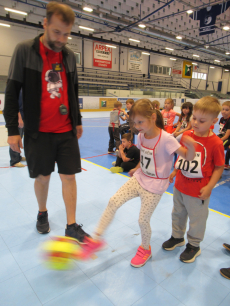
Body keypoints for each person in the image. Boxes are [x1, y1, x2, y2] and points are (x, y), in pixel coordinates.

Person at [4, 2, 90, 243]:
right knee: (42, 177)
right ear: (45, 24)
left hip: (66, 130)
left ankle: (71, 225)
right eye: (56, 32)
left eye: (66, 34)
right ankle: (42, 213)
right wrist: (12, 130)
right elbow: (11, 92)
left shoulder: (69, 56)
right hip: (37, 131)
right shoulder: (24, 50)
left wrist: (78, 119)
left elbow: (73, 89)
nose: (62, 39)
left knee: (69, 176)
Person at [83, 99, 195, 267]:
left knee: (143, 220)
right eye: (135, 123)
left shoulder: (167, 139)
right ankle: (96, 239)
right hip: (140, 179)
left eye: (140, 122)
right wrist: (137, 168)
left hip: (155, 186)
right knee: (113, 201)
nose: (137, 126)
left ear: (152, 117)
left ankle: (145, 249)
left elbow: (187, 156)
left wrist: (191, 147)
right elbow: (146, 157)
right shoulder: (142, 136)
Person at [162, 96, 225, 263]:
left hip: (198, 191)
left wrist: (210, 186)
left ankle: (194, 245)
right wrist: (175, 171)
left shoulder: (216, 143)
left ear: (214, 121)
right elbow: (182, 157)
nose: (196, 123)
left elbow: (219, 168)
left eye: (202, 120)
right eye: (194, 118)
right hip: (180, 186)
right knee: (177, 213)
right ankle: (177, 237)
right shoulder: (187, 134)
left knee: (197, 219)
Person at [8, 90, 26, 167]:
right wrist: (19, 119)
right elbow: (13, 105)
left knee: (20, 138)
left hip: (24, 116)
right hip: (18, 118)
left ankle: (18, 156)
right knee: (16, 139)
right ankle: (14, 161)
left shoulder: (22, 89)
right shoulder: (14, 89)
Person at [217, 101, 230, 169]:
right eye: (223, 109)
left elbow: (227, 136)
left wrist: (218, 140)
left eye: (227, 110)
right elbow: (221, 131)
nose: (224, 111)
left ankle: (220, 165)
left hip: (228, 138)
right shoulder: (222, 119)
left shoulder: (229, 120)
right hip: (223, 136)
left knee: (219, 146)